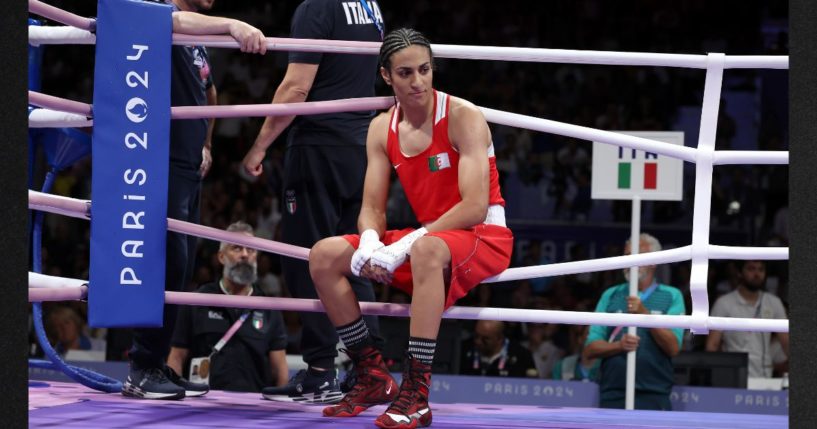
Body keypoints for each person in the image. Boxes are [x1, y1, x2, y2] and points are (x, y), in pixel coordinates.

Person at [307, 28, 514, 428]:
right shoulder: (381, 128)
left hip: (482, 234)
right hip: (432, 239)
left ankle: (417, 394)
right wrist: (369, 240)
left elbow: (473, 207)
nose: (417, 81)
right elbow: (371, 207)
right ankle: (372, 375)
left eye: (424, 70)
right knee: (323, 255)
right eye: (405, 73)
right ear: (387, 76)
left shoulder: (462, 116)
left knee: (426, 249)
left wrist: (409, 244)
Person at [242, 0, 386, 404]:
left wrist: (258, 147)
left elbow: (296, 87)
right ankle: (368, 371)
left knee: (308, 258)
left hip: (319, 147)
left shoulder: (317, 7)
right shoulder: (369, 6)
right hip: (362, 147)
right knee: (355, 256)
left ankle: (322, 370)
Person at [123, 1, 268, 400]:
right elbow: (171, 20)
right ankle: (140, 366)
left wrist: (205, 142)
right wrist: (234, 23)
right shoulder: (161, 13)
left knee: (179, 266)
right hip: (159, 159)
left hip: (187, 164)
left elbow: (209, 88)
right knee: (161, 262)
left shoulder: (196, 40)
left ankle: (156, 365)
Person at [166, 221, 289, 393]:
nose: (245, 255)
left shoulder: (269, 307)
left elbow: (280, 371)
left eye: (251, 249)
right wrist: (174, 403)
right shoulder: (197, 300)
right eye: (237, 248)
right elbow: (177, 357)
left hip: (254, 408)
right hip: (202, 406)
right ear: (221, 257)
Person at [583, 233, 685, 410]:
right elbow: (591, 348)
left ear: (654, 260)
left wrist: (644, 314)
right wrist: (618, 346)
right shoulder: (611, 295)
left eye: (637, 255)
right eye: (627, 256)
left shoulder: (672, 296)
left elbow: (673, 347)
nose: (630, 261)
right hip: (613, 391)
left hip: (655, 393)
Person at [705, 260, 789, 378]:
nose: (757, 274)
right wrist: (717, 376)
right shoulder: (724, 303)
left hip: (764, 375)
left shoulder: (774, 302)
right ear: (740, 273)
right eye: (751, 269)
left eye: (761, 269)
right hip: (732, 375)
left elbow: (787, 343)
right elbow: (712, 346)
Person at [459, 320, 538, 378]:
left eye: (485, 339)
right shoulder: (463, 349)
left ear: (500, 339)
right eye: (476, 336)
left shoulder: (522, 355)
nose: (478, 342)